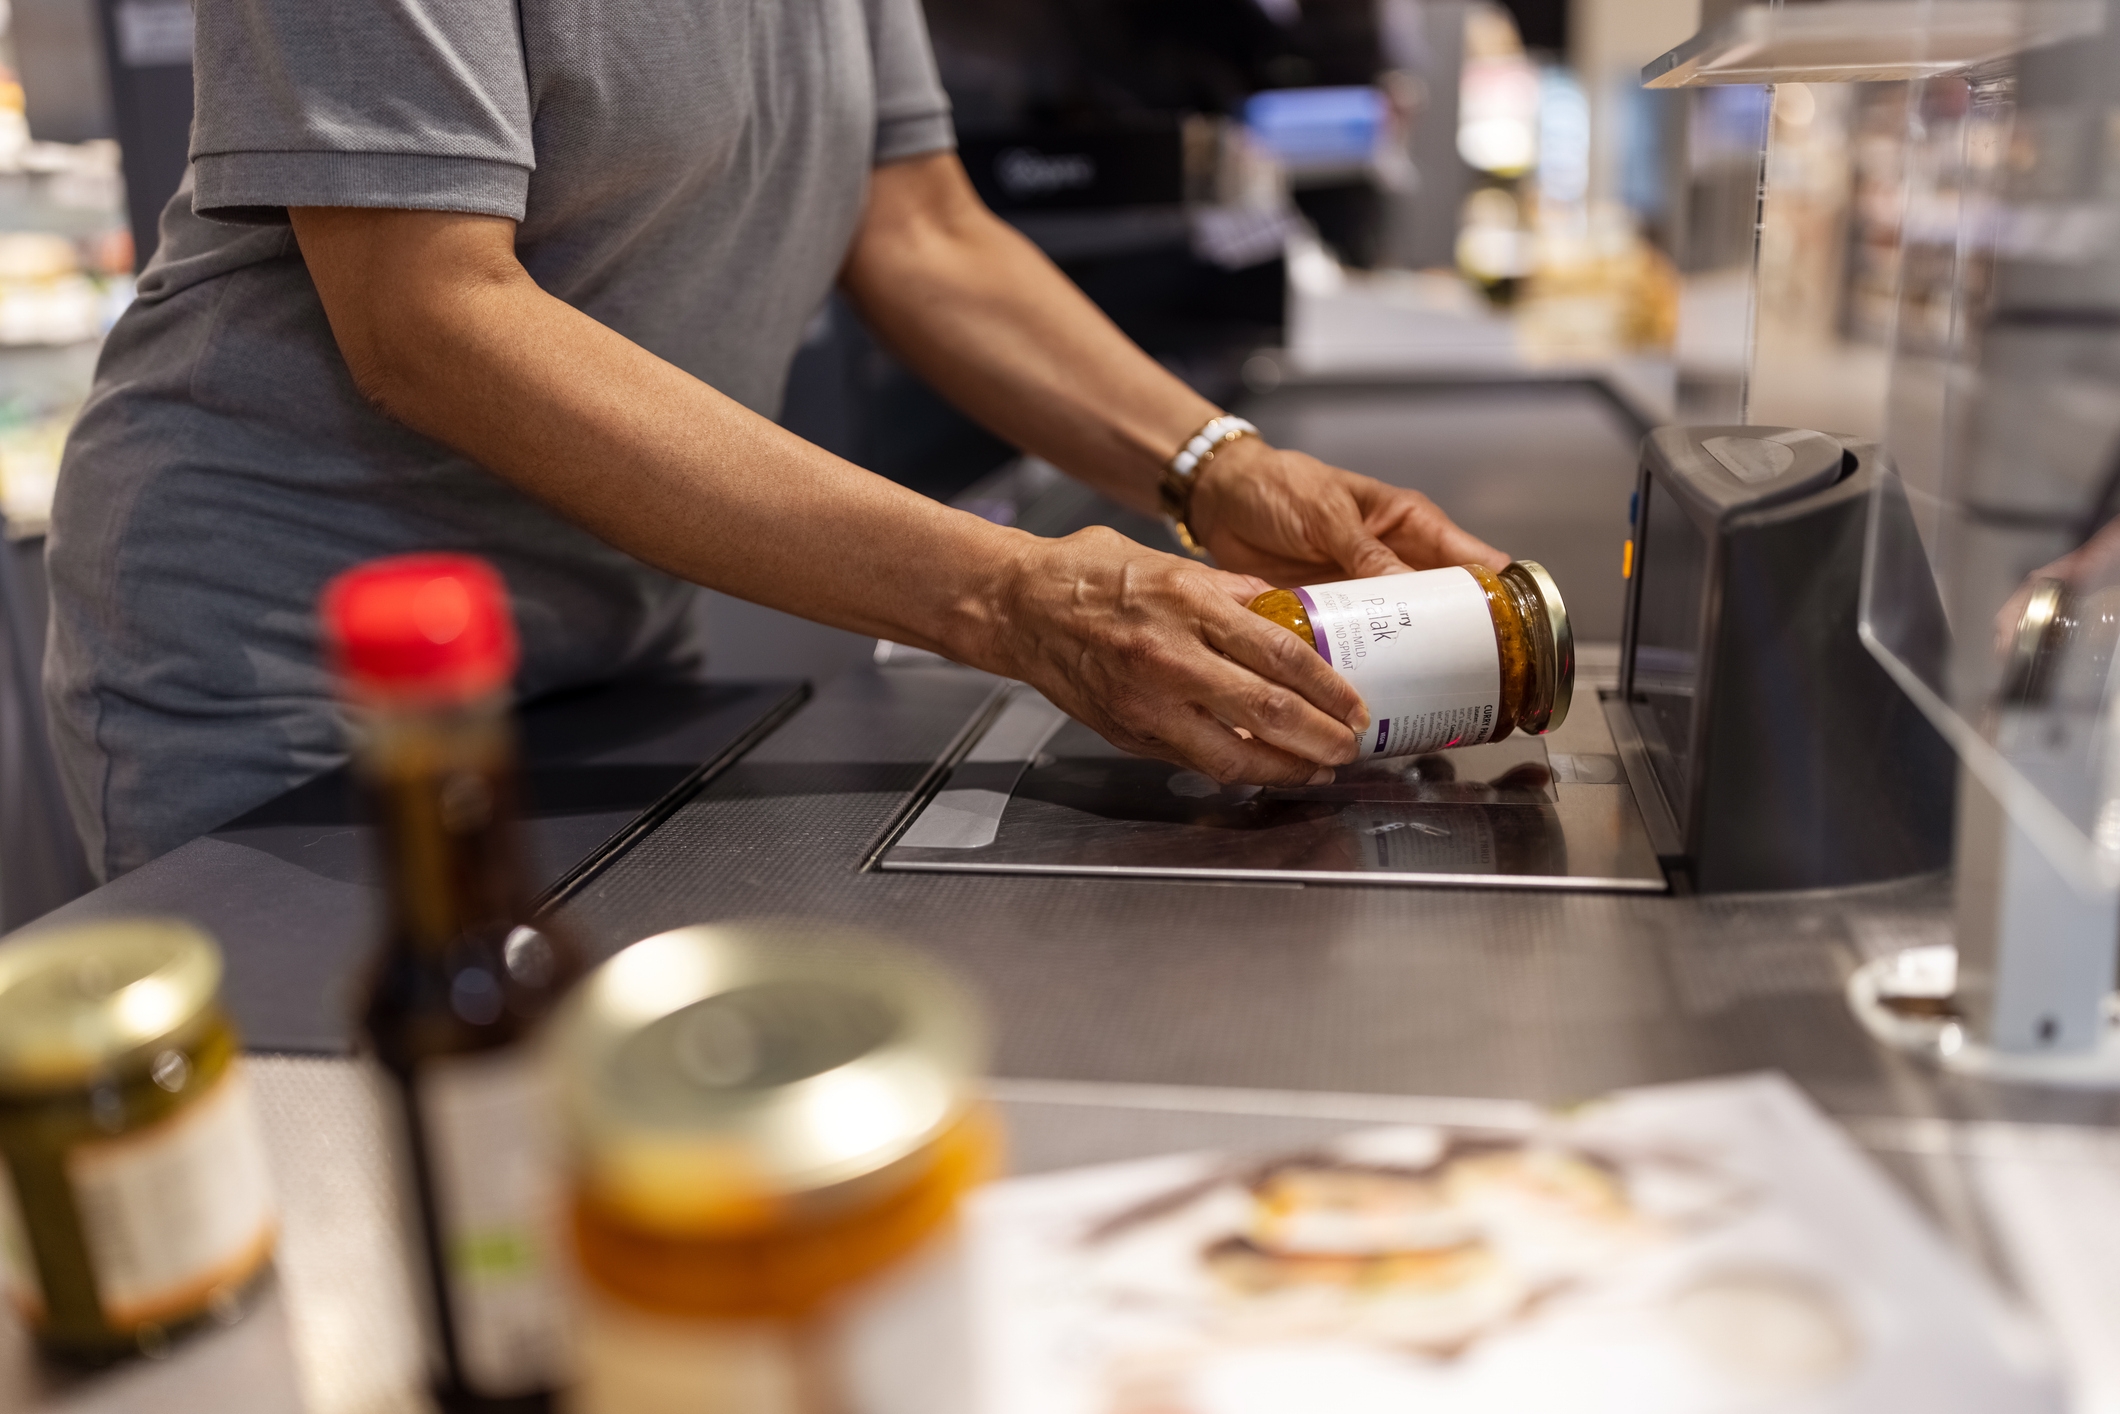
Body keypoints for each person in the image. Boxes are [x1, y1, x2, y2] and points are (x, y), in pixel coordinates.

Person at [45, 0, 1503, 881]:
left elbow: (918, 223)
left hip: (605, 646)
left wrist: (1217, 466)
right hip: (300, 668)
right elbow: (428, 310)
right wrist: (1018, 596)